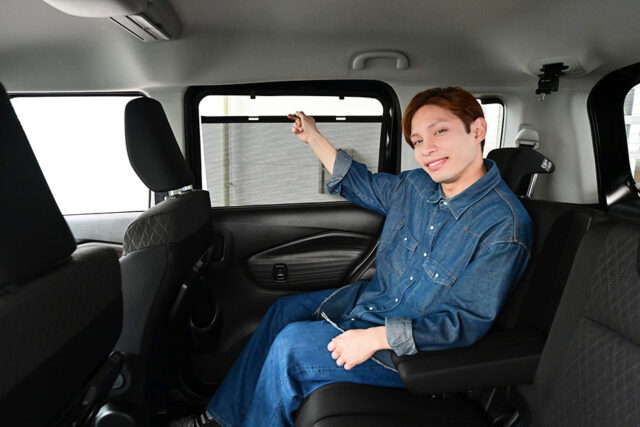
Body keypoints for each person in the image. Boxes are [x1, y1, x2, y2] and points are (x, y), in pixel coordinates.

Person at [170, 87, 534, 427]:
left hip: (412, 353)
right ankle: (217, 420)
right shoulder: (416, 186)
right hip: (370, 304)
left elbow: (462, 323)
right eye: (418, 140)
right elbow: (359, 182)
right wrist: (313, 136)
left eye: (440, 131)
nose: (427, 149)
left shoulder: (505, 227)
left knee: (292, 346)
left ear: (478, 130)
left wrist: (374, 338)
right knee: (282, 311)